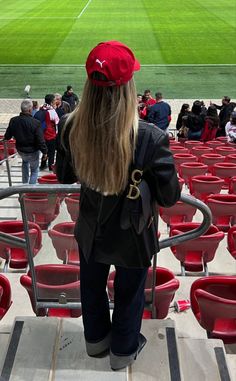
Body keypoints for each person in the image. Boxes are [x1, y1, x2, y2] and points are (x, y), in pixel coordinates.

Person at [56, 40, 180, 371]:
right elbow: (169, 196)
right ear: (128, 86)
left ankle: (96, 342)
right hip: (134, 233)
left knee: (91, 286)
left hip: (91, 226)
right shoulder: (151, 136)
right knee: (130, 292)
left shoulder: (70, 124)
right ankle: (122, 351)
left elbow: (64, 174)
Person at [4, 99, 47, 184]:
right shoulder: (36, 123)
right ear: (30, 109)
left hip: (21, 151)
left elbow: (8, 135)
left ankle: (24, 185)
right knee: (34, 171)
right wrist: (45, 152)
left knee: (25, 161)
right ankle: (29, 191)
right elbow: (40, 140)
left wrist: (5, 138)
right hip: (32, 151)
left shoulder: (13, 120)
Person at [34, 94, 59, 171]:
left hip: (42, 135)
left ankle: (42, 165)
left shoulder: (42, 108)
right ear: (51, 102)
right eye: (55, 100)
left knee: (45, 151)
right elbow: (57, 121)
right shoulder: (51, 111)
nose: (56, 101)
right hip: (51, 135)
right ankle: (51, 167)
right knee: (51, 152)